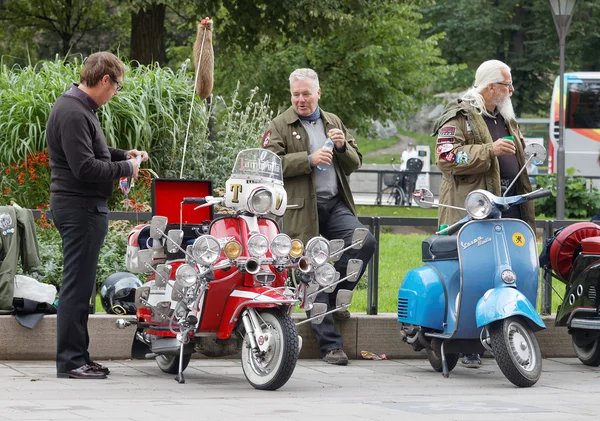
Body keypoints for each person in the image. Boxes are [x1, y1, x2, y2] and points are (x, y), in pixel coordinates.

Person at [263, 68, 376, 366]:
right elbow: (269, 164)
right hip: (302, 210)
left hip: (336, 205)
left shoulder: (333, 121)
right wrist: (308, 160)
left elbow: (355, 161)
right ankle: (331, 347)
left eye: (306, 94)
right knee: (311, 270)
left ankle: (336, 297)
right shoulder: (279, 125)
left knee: (364, 242)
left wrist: (341, 147)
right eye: (296, 94)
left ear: (318, 93)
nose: (301, 100)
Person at [46, 52, 149, 379]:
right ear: (105, 79)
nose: (115, 92)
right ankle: (71, 361)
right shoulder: (75, 112)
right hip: (79, 208)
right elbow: (85, 168)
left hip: (80, 207)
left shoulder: (77, 108)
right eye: (116, 86)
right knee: (77, 287)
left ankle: (79, 357)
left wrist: (123, 155)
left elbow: (92, 152)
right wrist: (127, 167)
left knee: (81, 286)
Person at [431, 59, 534, 368]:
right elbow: (446, 157)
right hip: (472, 208)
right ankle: (468, 343)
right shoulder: (460, 116)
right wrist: (489, 151)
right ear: (491, 87)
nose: (511, 90)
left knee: (506, 270)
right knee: (473, 272)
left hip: (508, 205)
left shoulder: (506, 117)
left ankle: (502, 333)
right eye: (507, 85)